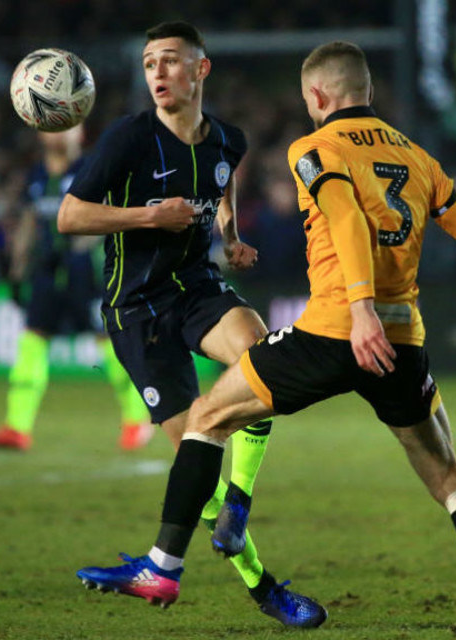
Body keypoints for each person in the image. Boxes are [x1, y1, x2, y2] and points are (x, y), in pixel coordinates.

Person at [77, 41, 456, 637]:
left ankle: (163, 567)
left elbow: (344, 216)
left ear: (317, 97)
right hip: (403, 343)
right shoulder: (417, 157)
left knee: (205, 419)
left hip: (334, 331)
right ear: (367, 93)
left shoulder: (314, 148)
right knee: (449, 475)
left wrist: (361, 308)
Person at [56, 22, 325, 627]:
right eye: (150, 62)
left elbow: (221, 188)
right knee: (193, 457)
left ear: (201, 70)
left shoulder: (229, 140)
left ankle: (240, 501)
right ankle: (264, 589)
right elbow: (70, 217)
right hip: (136, 307)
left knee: (263, 358)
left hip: (196, 287)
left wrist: (230, 236)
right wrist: (149, 217)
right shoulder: (129, 138)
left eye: (171, 61)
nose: (158, 73)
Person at [0, 126, 154, 451]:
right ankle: (17, 426)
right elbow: (30, 220)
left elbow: (107, 216)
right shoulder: (38, 174)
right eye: (51, 127)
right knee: (32, 341)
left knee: (109, 345)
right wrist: (16, 270)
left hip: (85, 271)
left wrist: (82, 245)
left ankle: (136, 419)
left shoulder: (91, 169)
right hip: (46, 270)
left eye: (68, 126)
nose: (58, 133)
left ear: (81, 133)